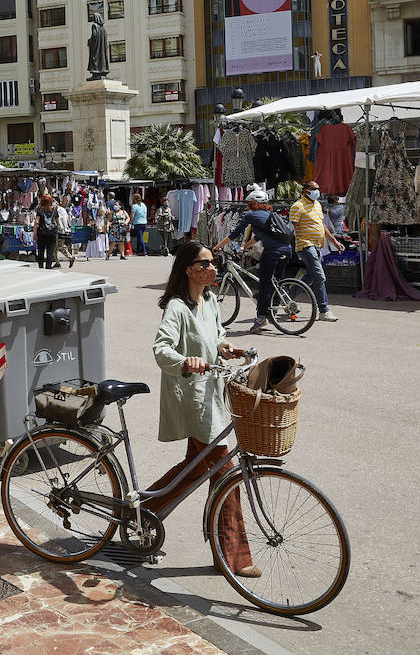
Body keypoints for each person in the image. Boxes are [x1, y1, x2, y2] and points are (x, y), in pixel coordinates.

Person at [144, 241, 257, 578]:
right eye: (206, 264)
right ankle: (233, 557)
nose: (213, 269)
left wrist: (226, 347)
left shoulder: (209, 301)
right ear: (188, 269)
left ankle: (142, 510)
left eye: (213, 262)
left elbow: (216, 336)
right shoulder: (177, 308)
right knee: (225, 472)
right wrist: (186, 361)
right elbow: (161, 349)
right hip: (193, 399)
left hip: (211, 395)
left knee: (194, 469)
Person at [214, 188, 290, 335]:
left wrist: (218, 246)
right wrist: (244, 247)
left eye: (249, 202)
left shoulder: (251, 215)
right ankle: (274, 310)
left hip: (272, 252)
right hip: (287, 250)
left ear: (254, 203)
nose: (248, 205)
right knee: (276, 282)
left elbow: (234, 234)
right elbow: (258, 237)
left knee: (264, 284)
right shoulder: (270, 215)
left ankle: (262, 317)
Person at [290, 180, 343, 322]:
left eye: (318, 189)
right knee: (319, 277)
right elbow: (293, 228)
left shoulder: (317, 205)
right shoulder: (297, 206)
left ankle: (286, 299)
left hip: (318, 246)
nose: (317, 192)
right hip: (305, 246)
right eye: (314, 189)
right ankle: (324, 310)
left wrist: (335, 242)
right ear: (305, 191)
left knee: (310, 276)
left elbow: (323, 227)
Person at [34, 194, 59, 269]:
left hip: (42, 233)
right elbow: (58, 223)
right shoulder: (54, 209)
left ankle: (41, 268)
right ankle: (48, 268)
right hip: (52, 234)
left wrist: (34, 233)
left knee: (41, 252)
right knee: (50, 253)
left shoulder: (40, 209)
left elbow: (36, 222)